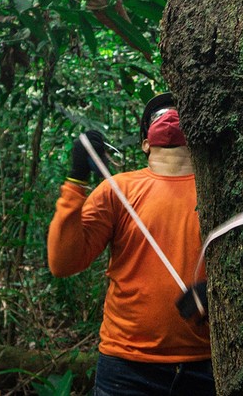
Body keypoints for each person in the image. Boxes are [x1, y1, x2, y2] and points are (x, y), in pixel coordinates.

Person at [47, 93, 215, 396]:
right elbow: (63, 262)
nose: (170, 115)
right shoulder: (118, 189)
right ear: (145, 143)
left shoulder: (221, 191)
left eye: (179, 112)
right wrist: (76, 179)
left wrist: (216, 292)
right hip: (126, 367)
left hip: (206, 365)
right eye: (160, 114)